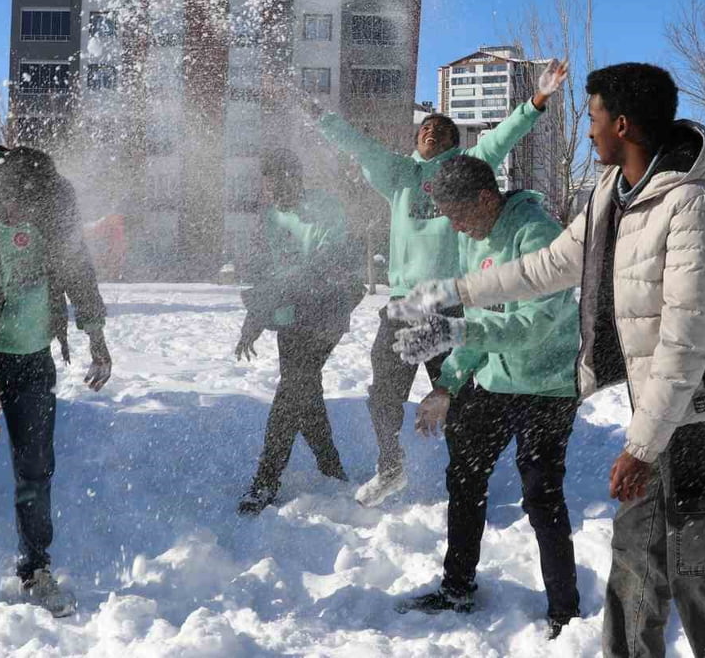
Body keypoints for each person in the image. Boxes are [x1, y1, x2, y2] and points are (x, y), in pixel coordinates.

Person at [391, 63, 705, 657]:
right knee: (637, 556)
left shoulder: (695, 205)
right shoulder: (611, 194)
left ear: (622, 124)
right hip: (659, 398)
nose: (588, 131)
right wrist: (454, 292)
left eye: (593, 117)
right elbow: (550, 267)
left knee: (701, 567)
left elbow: (686, 340)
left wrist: (642, 447)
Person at [305, 58, 568, 507]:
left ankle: (466, 475)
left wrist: (538, 99)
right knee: (383, 393)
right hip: (405, 304)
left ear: (453, 142)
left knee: (456, 395)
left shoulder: (466, 167)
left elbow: (502, 136)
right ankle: (390, 466)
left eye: (441, 129)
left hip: (452, 303)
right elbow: (359, 146)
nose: (431, 131)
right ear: (415, 140)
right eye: (425, 127)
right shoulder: (399, 175)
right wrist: (319, 116)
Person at [387, 155, 582, 640]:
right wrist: (447, 384)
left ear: (485, 197)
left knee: (541, 495)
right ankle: (456, 587)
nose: (455, 227)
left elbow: (532, 327)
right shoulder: (472, 237)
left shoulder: (538, 236)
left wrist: (455, 330)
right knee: (464, 477)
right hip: (494, 381)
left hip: (547, 388)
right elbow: (483, 321)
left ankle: (565, 610)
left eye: (458, 215)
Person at [0, 146, 113, 624]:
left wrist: (95, 333)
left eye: (27, 210)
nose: (17, 217)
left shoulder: (53, 202)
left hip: (33, 358)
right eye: (10, 206)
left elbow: (76, 267)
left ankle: (36, 567)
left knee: (35, 471)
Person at [234, 149, 366, 515]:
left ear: (296, 179)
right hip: (289, 314)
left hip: (326, 312)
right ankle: (331, 468)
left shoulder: (326, 210)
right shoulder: (270, 218)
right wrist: (254, 318)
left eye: (280, 184)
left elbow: (323, 268)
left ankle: (265, 480)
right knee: (304, 391)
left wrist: (271, 299)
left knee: (291, 390)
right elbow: (265, 273)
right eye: (268, 185)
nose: (274, 192)